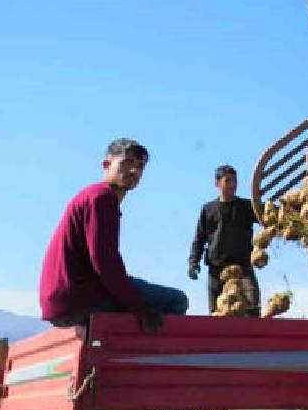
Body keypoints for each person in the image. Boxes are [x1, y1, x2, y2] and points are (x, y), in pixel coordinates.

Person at [39, 138, 189, 332]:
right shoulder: (102, 198)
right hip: (80, 297)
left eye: (140, 166)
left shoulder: (92, 196)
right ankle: (142, 361)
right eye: (126, 163)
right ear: (106, 164)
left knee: (134, 292)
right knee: (176, 301)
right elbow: (104, 260)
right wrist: (139, 307)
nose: (134, 171)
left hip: (63, 299)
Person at [188, 165, 259, 315]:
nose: (233, 185)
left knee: (252, 308)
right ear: (218, 184)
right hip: (216, 269)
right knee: (217, 315)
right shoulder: (208, 209)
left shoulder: (247, 207)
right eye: (228, 181)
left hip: (243, 268)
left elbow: (268, 215)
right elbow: (199, 239)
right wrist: (193, 262)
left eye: (235, 181)